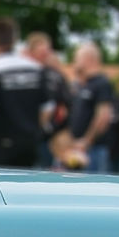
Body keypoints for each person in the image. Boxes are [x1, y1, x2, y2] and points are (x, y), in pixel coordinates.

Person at [0, 17, 51, 168]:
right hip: (30, 143)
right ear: (15, 40)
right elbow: (47, 108)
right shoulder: (35, 68)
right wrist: (35, 130)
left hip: (1, 143)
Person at [67, 41, 115, 173]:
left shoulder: (102, 84)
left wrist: (87, 141)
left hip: (93, 149)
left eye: (76, 58)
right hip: (77, 147)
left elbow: (103, 117)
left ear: (88, 59)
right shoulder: (81, 84)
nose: (74, 62)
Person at [24, 32, 69, 168]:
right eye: (41, 52)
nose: (45, 55)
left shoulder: (54, 76)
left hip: (45, 139)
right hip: (23, 136)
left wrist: (51, 127)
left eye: (47, 51)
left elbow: (64, 106)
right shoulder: (21, 73)